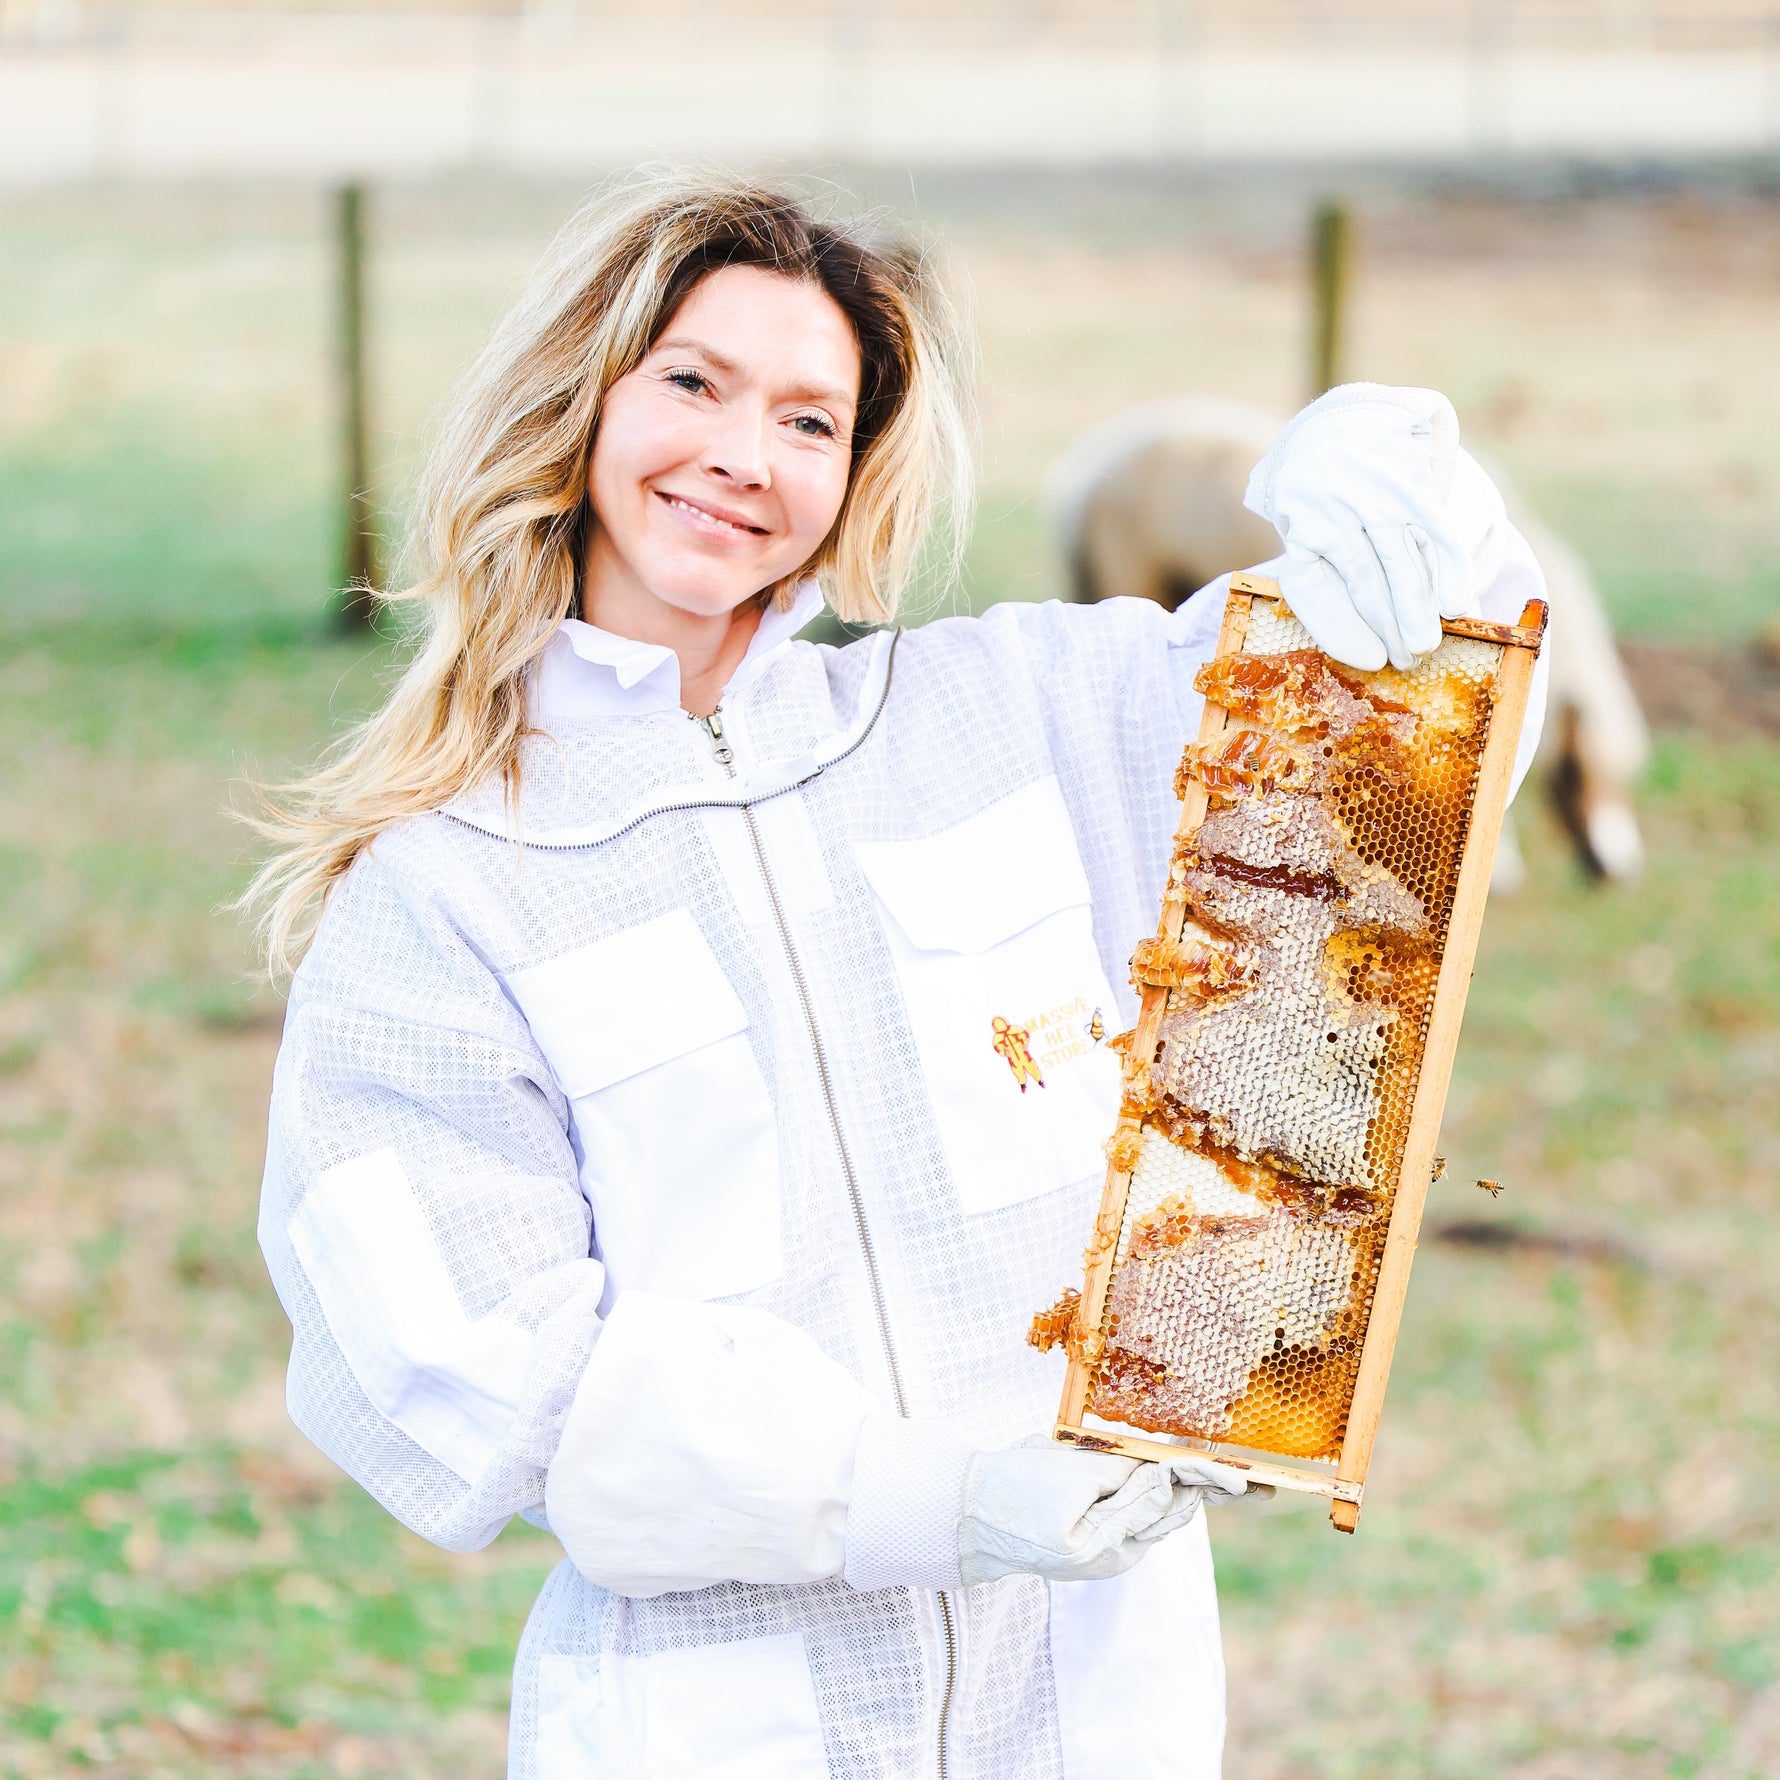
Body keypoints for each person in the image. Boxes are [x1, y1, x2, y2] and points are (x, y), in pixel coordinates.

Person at [245, 172, 1546, 1780]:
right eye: (696, 383)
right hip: (715, 1726)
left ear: (855, 476)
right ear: (581, 400)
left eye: (811, 420)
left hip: (1096, 1697)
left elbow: (1403, 760)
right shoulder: (443, 895)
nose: (743, 453)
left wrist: (1395, 486)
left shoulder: (1009, 713)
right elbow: (472, 1375)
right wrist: (924, 1498)